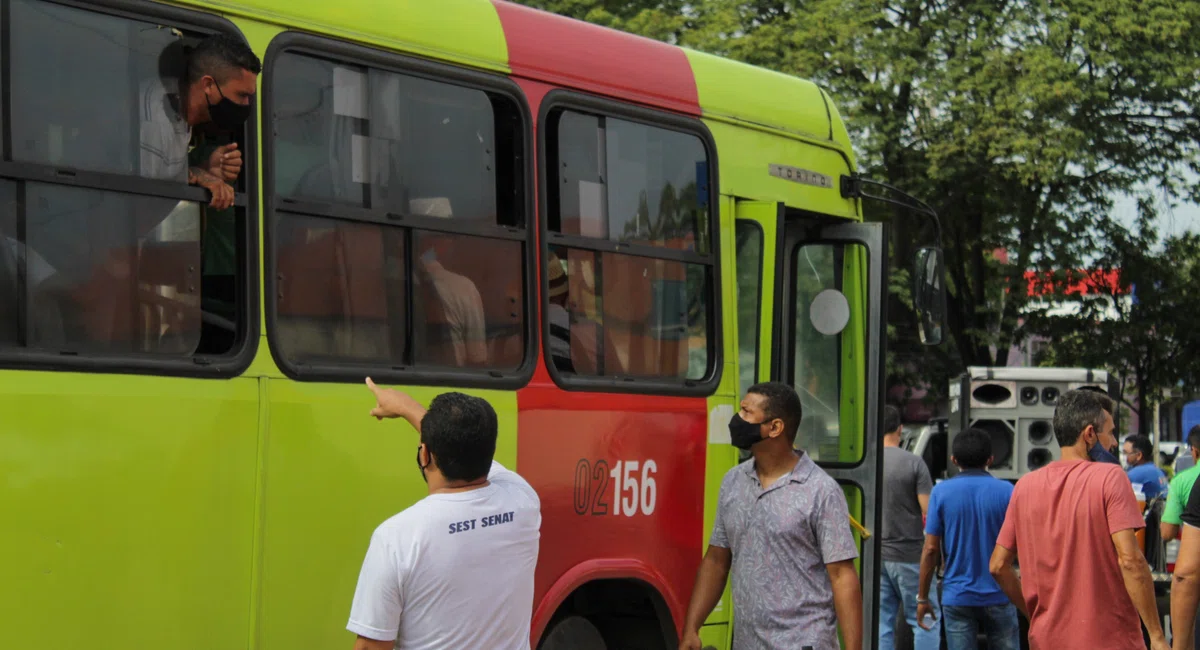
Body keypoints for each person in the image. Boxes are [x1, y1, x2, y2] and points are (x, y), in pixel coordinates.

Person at [347, 379, 541, 650]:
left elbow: (370, 646)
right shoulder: (523, 502)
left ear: (425, 454)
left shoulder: (395, 538)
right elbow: (462, 447)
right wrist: (407, 408)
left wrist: (404, 407)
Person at [680, 382, 862, 650]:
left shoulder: (820, 491)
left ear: (775, 428)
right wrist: (691, 628)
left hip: (804, 643)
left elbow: (842, 577)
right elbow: (717, 560)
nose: (737, 419)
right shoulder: (733, 481)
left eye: (746, 412)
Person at [989, 389, 1168, 650]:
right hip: (1109, 640)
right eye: (1111, 432)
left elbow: (997, 566)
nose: (1115, 443)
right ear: (1090, 434)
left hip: (1046, 640)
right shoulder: (1111, 478)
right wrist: (1158, 636)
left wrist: (1035, 613)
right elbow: (1130, 560)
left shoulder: (1024, 487)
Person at [917, 428, 1018, 650]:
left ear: (954, 460)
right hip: (1001, 594)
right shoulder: (1008, 492)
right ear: (990, 459)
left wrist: (923, 597)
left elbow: (931, 550)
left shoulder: (941, 493)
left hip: (957, 596)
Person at [878, 405, 938, 650]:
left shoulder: (869, 459)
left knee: (882, 623)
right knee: (925, 619)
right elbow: (929, 511)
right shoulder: (914, 463)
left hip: (877, 556)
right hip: (911, 556)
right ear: (900, 429)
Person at [1125, 434, 1169, 500]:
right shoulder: (1156, 470)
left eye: (1126, 453)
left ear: (1139, 455)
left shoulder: (1137, 473)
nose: (1125, 457)